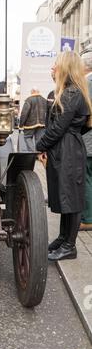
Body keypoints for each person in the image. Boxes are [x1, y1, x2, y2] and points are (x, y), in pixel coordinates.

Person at [36, 51, 92, 261]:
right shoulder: (70, 92)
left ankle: (70, 245)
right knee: (66, 196)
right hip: (66, 148)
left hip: (67, 150)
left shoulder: (71, 94)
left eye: (55, 65)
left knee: (72, 198)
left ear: (66, 68)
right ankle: (63, 238)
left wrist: (38, 147)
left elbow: (58, 128)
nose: (52, 68)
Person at [79, 48, 92, 231]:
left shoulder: (88, 82)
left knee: (87, 177)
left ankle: (88, 218)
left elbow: (84, 111)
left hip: (89, 137)